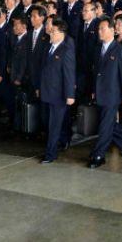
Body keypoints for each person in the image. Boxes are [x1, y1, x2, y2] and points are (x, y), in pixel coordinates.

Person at [88, 15, 122, 168]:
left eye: (102, 29)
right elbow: (95, 73)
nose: (99, 31)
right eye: (99, 29)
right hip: (100, 92)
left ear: (112, 30)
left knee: (104, 125)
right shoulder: (97, 49)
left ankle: (99, 154)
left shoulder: (121, 50)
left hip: (112, 93)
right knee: (109, 124)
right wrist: (94, 90)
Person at [37, 18, 76, 163]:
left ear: (61, 33)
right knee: (48, 123)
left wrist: (70, 95)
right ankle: (57, 144)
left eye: (53, 32)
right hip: (47, 91)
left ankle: (50, 154)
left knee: (54, 125)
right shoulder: (48, 47)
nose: (50, 34)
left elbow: (69, 73)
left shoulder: (66, 50)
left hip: (59, 94)